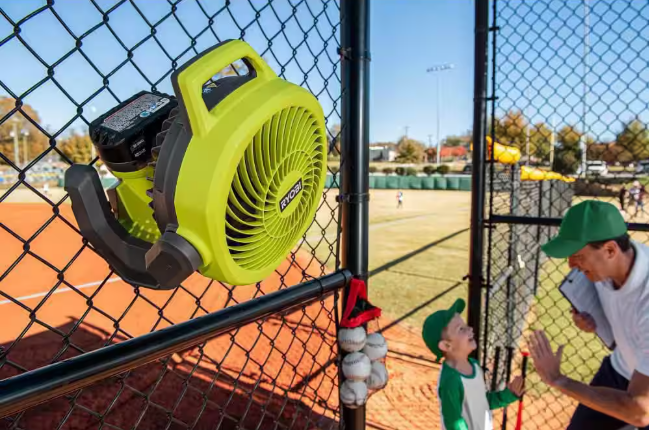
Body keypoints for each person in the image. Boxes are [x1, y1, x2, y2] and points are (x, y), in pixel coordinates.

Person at [527, 200, 649, 429]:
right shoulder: (606, 267)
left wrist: (559, 380)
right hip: (621, 367)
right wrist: (593, 320)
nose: (571, 265)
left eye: (577, 256)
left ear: (610, 250)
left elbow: (640, 410)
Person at [423, 299, 523, 430]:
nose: (470, 329)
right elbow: (453, 422)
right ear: (446, 345)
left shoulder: (474, 366)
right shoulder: (451, 380)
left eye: (465, 325)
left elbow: (482, 402)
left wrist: (508, 394)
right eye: (461, 329)